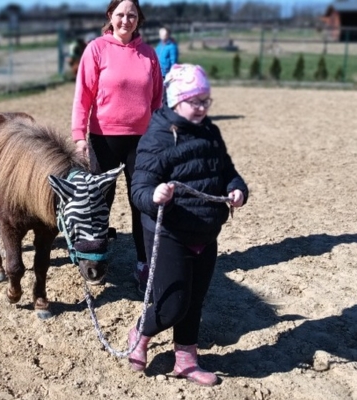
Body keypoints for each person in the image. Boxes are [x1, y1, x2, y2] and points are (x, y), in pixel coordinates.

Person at [128, 64, 248, 385]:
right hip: (169, 233)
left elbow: (227, 171)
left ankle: (186, 360)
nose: (202, 108)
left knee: (194, 301)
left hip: (206, 232)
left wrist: (237, 189)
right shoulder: (159, 136)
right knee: (172, 305)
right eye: (195, 101)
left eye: (206, 101)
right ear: (176, 100)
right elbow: (138, 187)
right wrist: (154, 193)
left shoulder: (210, 131)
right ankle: (140, 332)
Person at [71, 0, 163, 292]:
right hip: (104, 139)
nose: (126, 20)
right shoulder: (96, 49)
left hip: (142, 141)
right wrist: (78, 136)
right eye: (121, 14)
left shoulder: (149, 55)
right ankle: (97, 258)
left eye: (132, 15)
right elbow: (82, 96)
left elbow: (158, 100)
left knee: (142, 204)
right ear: (110, 16)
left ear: (139, 19)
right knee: (100, 203)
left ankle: (143, 264)